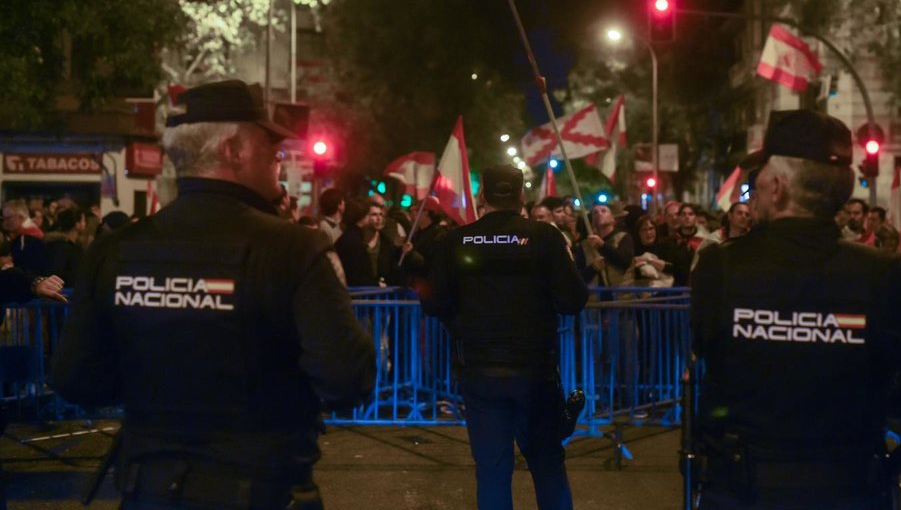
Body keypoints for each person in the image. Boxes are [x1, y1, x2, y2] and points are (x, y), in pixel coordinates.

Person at [52, 79, 376, 510]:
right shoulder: (295, 248)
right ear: (233, 150)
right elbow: (347, 380)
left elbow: (76, 378)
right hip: (261, 489)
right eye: (270, 148)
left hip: (150, 490)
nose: (278, 160)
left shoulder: (116, 250)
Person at [691, 109, 901, 510]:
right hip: (848, 485)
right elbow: (897, 372)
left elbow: (707, 347)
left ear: (777, 185)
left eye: (758, 178)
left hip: (745, 488)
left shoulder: (721, 266)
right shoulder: (884, 273)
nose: (753, 187)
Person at [421, 165, 588, 510]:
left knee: (493, 471)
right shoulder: (545, 238)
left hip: (481, 372)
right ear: (521, 195)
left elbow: (433, 302)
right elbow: (573, 300)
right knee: (547, 467)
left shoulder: (456, 241)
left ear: (482, 197)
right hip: (534, 373)